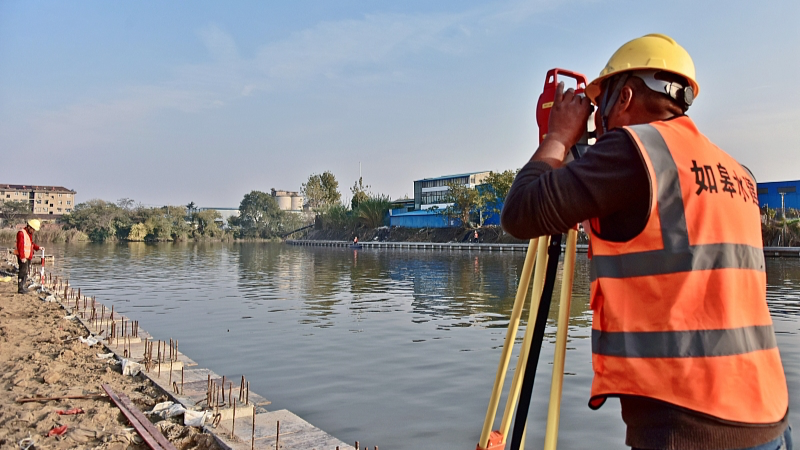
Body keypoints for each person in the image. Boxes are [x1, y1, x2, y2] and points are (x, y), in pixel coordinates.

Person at [501, 34, 790, 450]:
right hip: (768, 419)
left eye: (600, 106)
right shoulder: (736, 172)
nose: (597, 120)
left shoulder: (633, 151)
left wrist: (558, 137)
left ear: (625, 97)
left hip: (687, 427)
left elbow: (521, 212)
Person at [14, 219, 43, 294]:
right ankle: (20, 288)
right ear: (29, 227)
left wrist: (38, 248)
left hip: (28, 256)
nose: (34, 231)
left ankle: (22, 287)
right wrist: (22, 257)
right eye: (33, 229)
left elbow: (31, 244)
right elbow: (20, 246)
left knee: (26, 272)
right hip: (23, 257)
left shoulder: (28, 234)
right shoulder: (21, 233)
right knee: (22, 272)